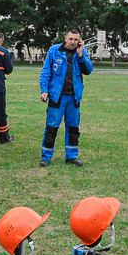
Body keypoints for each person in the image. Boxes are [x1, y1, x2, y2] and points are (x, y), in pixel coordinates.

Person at [39, 28, 93, 167]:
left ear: (79, 40)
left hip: (74, 98)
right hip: (57, 97)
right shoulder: (54, 51)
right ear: (65, 38)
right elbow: (46, 72)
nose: (73, 42)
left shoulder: (81, 53)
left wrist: (81, 55)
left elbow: (88, 70)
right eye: (70, 39)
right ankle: (46, 156)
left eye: (76, 40)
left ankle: (71, 156)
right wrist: (44, 90)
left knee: (73, 127)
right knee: (52, 127)